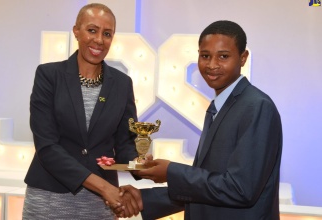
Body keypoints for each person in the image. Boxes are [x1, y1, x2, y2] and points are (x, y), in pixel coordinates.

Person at [115, 20, 283, 220]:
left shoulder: (256, 107)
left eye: (223, 56)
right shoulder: (219, 106)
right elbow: (209, 187)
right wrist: (145, 199)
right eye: (205, 56)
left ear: (243, 58)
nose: (212, 65)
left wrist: (171, 172)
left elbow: (240, 189)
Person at [22, 3, 142, 219]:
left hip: (100, 206)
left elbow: (125, 144)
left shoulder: (122, 84)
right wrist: (104, 188)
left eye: (107, 34)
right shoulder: (49, 75)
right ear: (76, 31)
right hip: (49, 200)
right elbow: (47, 147)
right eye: (92, 30)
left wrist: (140, 164)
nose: (99, 40)